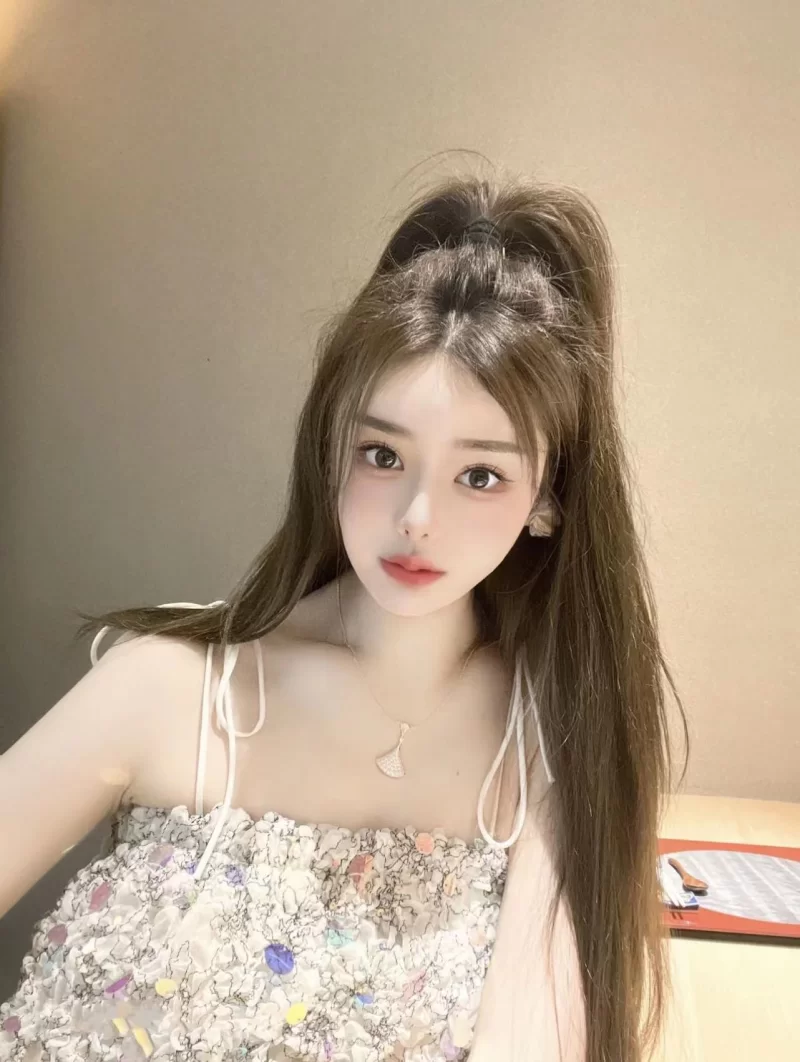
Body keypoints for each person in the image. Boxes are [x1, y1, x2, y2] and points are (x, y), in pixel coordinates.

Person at [0, 171, 689, 1062]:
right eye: (382, 454)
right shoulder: (168, 688)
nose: (417, 518)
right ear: (330, 448)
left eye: (480, 474)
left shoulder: (546, 745)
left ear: (547, 499)